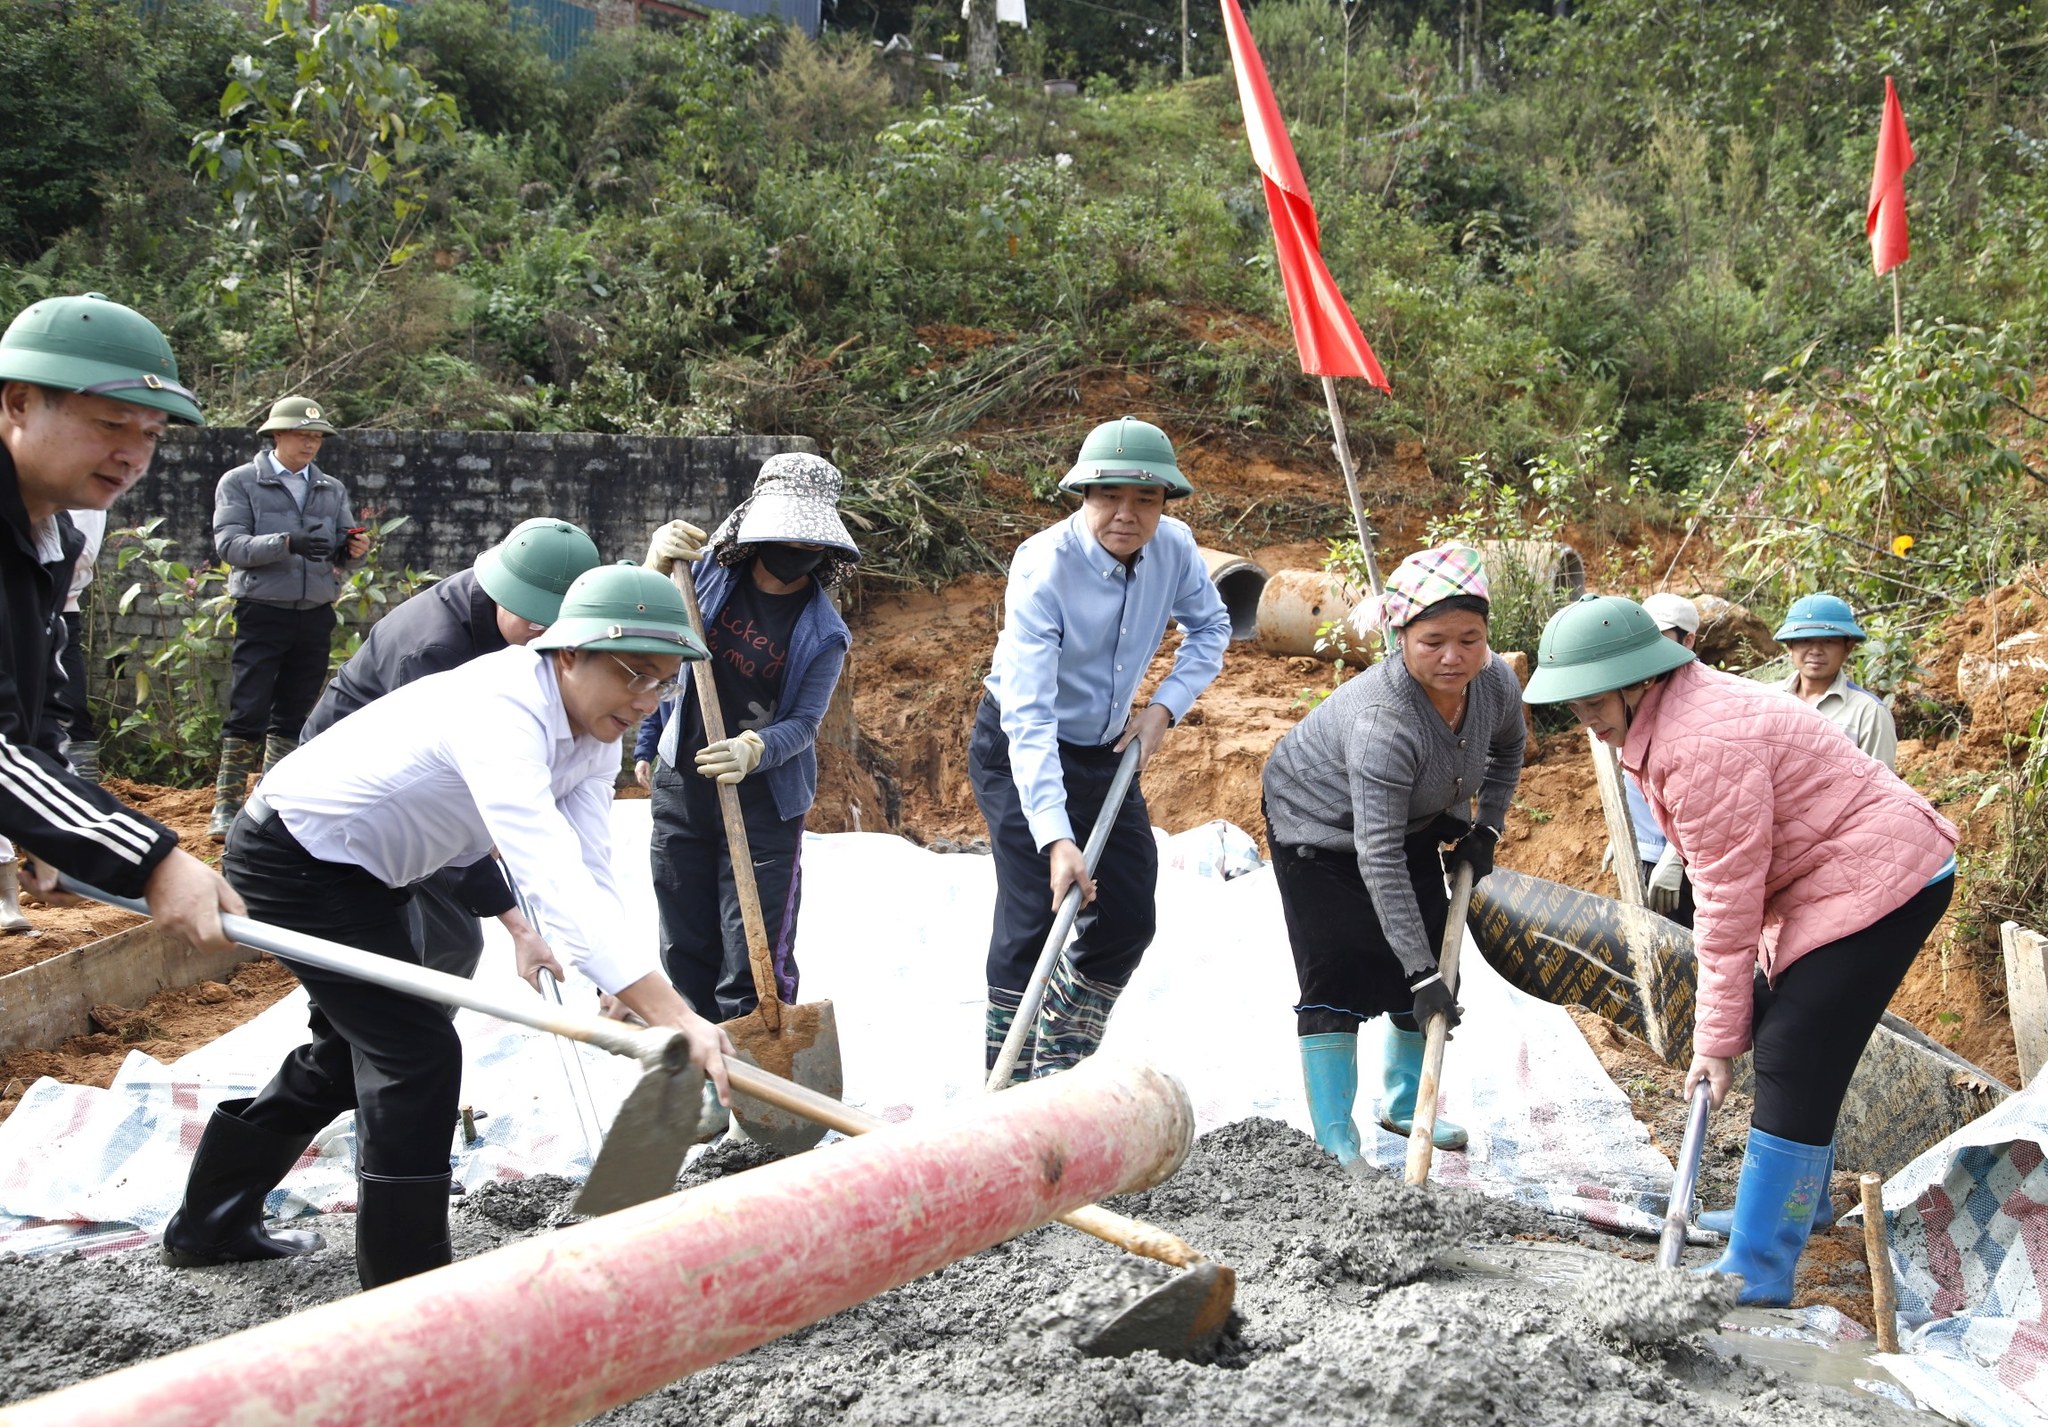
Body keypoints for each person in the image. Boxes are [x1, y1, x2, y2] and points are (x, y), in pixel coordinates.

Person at [164, 564, 729, 1290]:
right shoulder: (501, 706)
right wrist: (673, 1009)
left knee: (348, 1054)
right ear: (567, 653)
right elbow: (545, 866)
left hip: (370, 873)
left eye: (665, 683)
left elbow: (590, 869)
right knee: (417, 1055)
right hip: (296, 856)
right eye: (634, 675)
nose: (647, 699)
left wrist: (616, 980)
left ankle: (210, 1222)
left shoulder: (597, 735)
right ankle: (411, 1287)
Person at [1524, 594, 1958, 1306]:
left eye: (1594, 704)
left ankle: (1756, 1263)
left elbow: (1724, 905)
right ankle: (1800, 1205)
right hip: (1834, 873)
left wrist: (1715, 1045)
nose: (1588, 723)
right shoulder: (1673, 715)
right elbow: (1737, 883)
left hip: (1887, 878)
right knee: (1796, 1034)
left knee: (1792, 1044)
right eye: (1574, 708)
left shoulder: (1699, 744)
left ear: (1638, 680)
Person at [971, 416, 1230, 1081]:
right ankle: (1003, 1084)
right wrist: (1057, 838)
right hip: (1020, 745)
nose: (1127, 514)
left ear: (1164, 503)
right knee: (1034, 914)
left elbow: (1212, 627)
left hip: (1107, 748)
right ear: (1083, 495)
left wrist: (1162, 711)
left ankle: (1060, 1053)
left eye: (1146, 499)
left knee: (1128, 912)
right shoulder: (1043, 568)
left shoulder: (1175, 549)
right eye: (1109, 495)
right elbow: (1028, 717)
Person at [1262, 545, 1525, 1163]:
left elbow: (1509, 749)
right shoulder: (1384, 720)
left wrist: (1487, 825)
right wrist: (1419, 975)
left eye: (1470, 638)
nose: (1453, 656)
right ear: (1399, 637)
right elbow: (1377, 855)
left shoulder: (1494, 684)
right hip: (1317, 825)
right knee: (1340, 965)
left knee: (1437, 948)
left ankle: (1406, 1103)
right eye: (1433, 640)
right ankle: (1335, 1139)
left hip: (1410, 816)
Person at [0, 291, 241, 954]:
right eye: (112, 424)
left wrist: (48, 828)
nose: (134, 454)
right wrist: (151, 859)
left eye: (152, 435)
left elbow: (30, 711)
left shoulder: (49, 535)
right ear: (18, 402)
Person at [301, 517, 602, 987]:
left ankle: (405, 1044)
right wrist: (517, 924)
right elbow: (444, 797)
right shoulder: (434, 652)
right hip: (346, 804)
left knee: (443, 949)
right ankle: (407, 1047)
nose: (545, 638)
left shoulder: (509, 626)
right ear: (504, 591)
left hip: (413, 789)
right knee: (431, 945)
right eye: (536, 621)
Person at [633, 453, 856, 1022]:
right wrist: (654, 569)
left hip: (763, 807)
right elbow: (659, 653)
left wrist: (754, 749)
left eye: (809, 543)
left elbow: (804, 723)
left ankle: (759, 1083)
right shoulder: (702, 573)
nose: (796, 552)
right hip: (682, 786)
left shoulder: (824, 632)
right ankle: (702, 1075)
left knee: (751, 958)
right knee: (686, 946)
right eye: (786, 535)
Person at [207, 395, 371, 840]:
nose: (311, 444)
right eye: (303, 435)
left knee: (296, 710)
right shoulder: (240, 482)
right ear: (275, 434)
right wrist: (286, 543)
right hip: (262, 608)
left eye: (317, 437)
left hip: (316, 609)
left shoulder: (329, 488)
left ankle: (273, 805)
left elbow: (342, 547)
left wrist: (352, 549)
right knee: (249, 706)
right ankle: (224, 806)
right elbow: (229, 546)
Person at [1619, 592, 1701, 928]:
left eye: (1662, 635)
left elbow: (1700, 794)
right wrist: (1624, 835)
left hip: (1684, 862)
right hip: (1644, 853)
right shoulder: (1635, 690)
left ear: (1689, 639)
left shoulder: (1700, 700)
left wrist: (1675, 857)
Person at [1774, 593, 1897, 769]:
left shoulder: (1869, 712)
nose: (1815, 650)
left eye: (1828, 641)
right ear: (1790, 646)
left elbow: (1883, 786)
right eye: (1805, 640)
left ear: (1848, 648)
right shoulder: (1767, 698)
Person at [53, 505, 105, 782]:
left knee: (71, 707)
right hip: (13, 608)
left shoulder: (81, 479)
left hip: (58, 610)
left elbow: (81, 553)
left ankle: (85, 790)